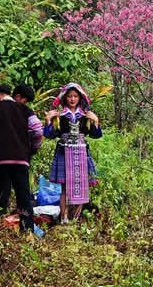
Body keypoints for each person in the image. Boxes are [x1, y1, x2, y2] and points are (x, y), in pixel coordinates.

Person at [0, 83, 43, 231]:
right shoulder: (26, 110)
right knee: (23, 196)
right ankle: (27, 230)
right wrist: (30, 149)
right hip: (21, 160)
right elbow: (37, 131)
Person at [44, 83, 101, 222]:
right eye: (69, 96)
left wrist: (96, 121)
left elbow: (96, 135)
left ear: (80, 98)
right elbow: (49, 135)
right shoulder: (59, 115)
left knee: (82, 186)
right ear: (65, 97)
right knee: (65, 187)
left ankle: (75, 218)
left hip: (81, 153)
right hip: (64, 153)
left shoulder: (86, 115)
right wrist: (48, 120)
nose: (72, 99)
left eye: (75, 96)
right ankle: (64, 218)